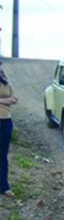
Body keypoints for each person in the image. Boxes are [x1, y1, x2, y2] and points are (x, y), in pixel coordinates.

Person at [0, 58, 17, 197]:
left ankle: (4, 185)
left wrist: (9, 100)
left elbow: (12, 96)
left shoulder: (4, 78)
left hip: (6, 118)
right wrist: (5, 101)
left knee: (3, 154)